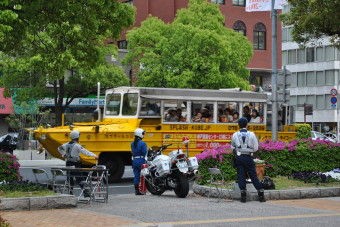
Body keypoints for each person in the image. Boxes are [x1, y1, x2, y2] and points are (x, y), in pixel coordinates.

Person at [231, 118, 265, 203]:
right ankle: (261, 194)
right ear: (247, 125)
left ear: (238, 125)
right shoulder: (252, 134)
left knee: (241, 176)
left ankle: (243, 196)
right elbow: (256, 148)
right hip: (249, 158)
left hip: (239, 158)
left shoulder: (235, 135)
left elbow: (232, 147)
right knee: (253, 176)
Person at [58, 130, 98, 195]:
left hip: (68, 163)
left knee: (70, 178)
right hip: (75, 164)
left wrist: (63, 154)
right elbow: (86, 152)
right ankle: (86, 193)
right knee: (80, 178)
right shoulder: (77, 146)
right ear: (77, 137)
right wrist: (94, 156)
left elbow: (59, 148)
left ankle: (70, 193)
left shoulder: (66, 144)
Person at [131, 128, 147, 195]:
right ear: (140, 134)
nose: (143, 135)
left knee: (136, 176)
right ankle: (143, 189)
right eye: (143, 133)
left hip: (134, 160)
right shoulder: (143, 143)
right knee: (144, 175)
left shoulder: (132, 143)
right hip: (141, 160)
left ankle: (137, 191)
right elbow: (144, 152)